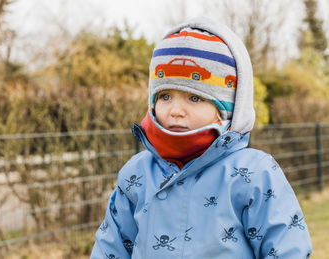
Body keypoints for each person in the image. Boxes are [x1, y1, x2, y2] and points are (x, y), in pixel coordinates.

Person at [90, 16, 312, 258]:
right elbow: (110, 248)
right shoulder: (137, 174)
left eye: (194, 98)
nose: (175, 110)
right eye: (165, 97)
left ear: (225, 109)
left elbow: (287, 249)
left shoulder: (252, 173)